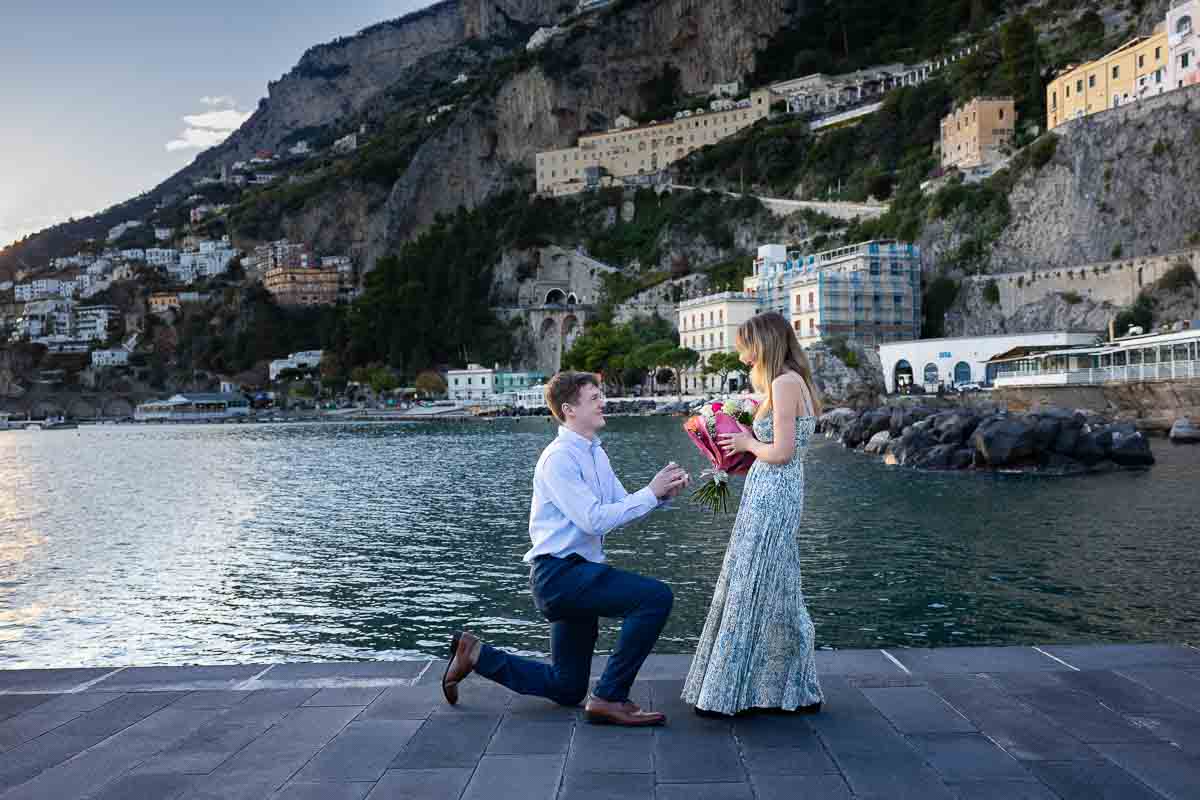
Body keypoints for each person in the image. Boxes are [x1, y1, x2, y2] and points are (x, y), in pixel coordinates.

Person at [442, 371, 690, 726]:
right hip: (560, 575)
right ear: (570, 409)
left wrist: (661, 495)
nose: (603, 402)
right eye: (594, 398)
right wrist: (650, 493)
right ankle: (609, 697)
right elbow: (593, 520)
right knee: (654, 599)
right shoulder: (558, 459)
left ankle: (476, 654)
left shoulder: (595, 454)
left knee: (568, 687)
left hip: (577, 574)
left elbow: (619, 507)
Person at [682, 311, 825, 717]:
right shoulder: (792, 382)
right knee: (774, 581)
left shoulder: (783, 383)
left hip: (774, 489)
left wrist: (744, 441)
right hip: (776, 487)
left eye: (746, 345)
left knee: (754, 579)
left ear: (763, 343)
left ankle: (740, 689)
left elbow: (781, 451)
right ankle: (780, 687)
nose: (742, 353)